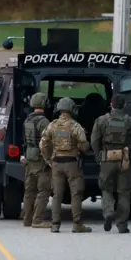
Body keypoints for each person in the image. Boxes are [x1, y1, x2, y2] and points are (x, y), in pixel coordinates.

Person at [90, 94, 131, 234]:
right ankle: (122, 224)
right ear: (124, 105)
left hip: (107, 158)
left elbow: (94, 140)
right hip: (124, 159)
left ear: (111, 105)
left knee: (106, 188)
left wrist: (98, 155)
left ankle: (108, 212)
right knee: (124, 192)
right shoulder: (130, 121)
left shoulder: (101, 120)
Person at [40, 97, 92, 234]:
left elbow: (43, 144)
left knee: (57, 194)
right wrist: (84, 146)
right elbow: (83, 146)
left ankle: (55, 224)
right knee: (76, 193)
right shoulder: (75, 126)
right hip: (72, 163)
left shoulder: (52, 125)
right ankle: (77, 224)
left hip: (57, 163)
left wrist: (48, 159)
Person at [20, 92, 53, 228]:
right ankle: (37, 220)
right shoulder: (45, 122)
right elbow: (47, 142)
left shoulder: (27, 120)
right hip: (40, 158)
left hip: (29, 157)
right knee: (44, 190)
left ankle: (27, 219)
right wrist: (50, 159)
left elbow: (24, 141)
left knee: (29, 191)